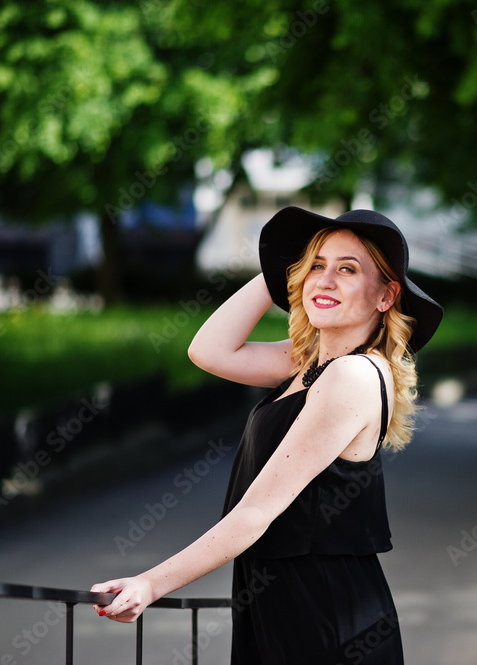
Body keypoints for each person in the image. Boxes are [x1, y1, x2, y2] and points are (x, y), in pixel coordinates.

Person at [90, 206, 443, 664]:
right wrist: (279, 268)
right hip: (278, 605)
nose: (325, 280)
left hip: (325, 615)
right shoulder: (307, 363)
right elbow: (208, 350)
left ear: (385, 296)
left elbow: (256, 512)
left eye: (348, 269)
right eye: (316, 265)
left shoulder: (352, 375)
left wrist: (151, 583)